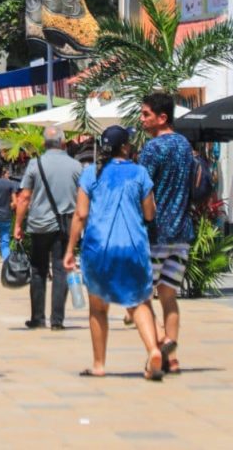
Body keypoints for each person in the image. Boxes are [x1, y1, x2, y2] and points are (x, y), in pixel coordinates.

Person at [64, 125, 164, 381]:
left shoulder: (90, 174)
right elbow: (150, 213)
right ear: (125, 147)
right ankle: (153, 349)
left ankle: (98, 365)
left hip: (99, 248)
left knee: (98, 308)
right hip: (133, 246)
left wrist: (69, 249)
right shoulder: (140, 173)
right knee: (139, 302)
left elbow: (81, 214)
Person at [138, 91, 194, 375]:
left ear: (162, 118)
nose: (142, 119)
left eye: (146, 114)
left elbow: (142, 188)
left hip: (155, 232)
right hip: (182, 232)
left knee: (142, 296)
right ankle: (173, 357)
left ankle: (162, 342)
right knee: (169, 296)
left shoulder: (152, 148)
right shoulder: (185, 145)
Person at [14, 126, 82, 330]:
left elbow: (24, 197)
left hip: (39, 225)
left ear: (44, 143)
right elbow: (83, 198)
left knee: (38, 270)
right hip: (65, 225)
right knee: (61, 270)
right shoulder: (76, 166)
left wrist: (18, 224)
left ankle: (37, 317)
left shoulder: (35, 164)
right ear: (63, 142)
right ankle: (57, 320)